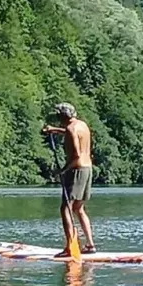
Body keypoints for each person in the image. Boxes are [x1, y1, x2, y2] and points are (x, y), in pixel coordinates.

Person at [41, 103, 95, 258]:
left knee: (65, 208)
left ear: (63, 116)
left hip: (76, 170)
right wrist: (54, 130)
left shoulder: (71, 129)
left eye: (58, 116)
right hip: (87, 169)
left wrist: (62, 171)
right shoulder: (82, 125)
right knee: (78, 208)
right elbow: (71, 132)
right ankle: (90, 244)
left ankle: (70, 247)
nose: (58, 119)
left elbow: (76, 155)